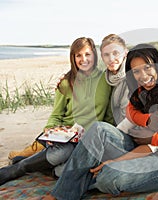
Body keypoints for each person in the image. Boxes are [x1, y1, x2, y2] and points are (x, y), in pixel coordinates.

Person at [43, 43, 158, 199]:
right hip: (140, 149)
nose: (143, 75)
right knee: (98, 129)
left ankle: (81, 180)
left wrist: (115, 160)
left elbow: (156, 145)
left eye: (148, 67)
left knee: (108, 176)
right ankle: (62, 195)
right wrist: (103, 142)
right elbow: (124, 127)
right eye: (136, 71)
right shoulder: (142, 92)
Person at [0, 37, 114, 185]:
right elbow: (56, 115)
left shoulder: (106, 80)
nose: (83, 59)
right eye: (78, 55)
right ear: (73, 57)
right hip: (65, 138)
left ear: (94, 54)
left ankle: (42, 165)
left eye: (87, 54)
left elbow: (109, 116)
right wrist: (50, 131)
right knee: (62, 153)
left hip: (89, 140)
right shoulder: (66, 82)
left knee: (62, 171)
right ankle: (19, 168)